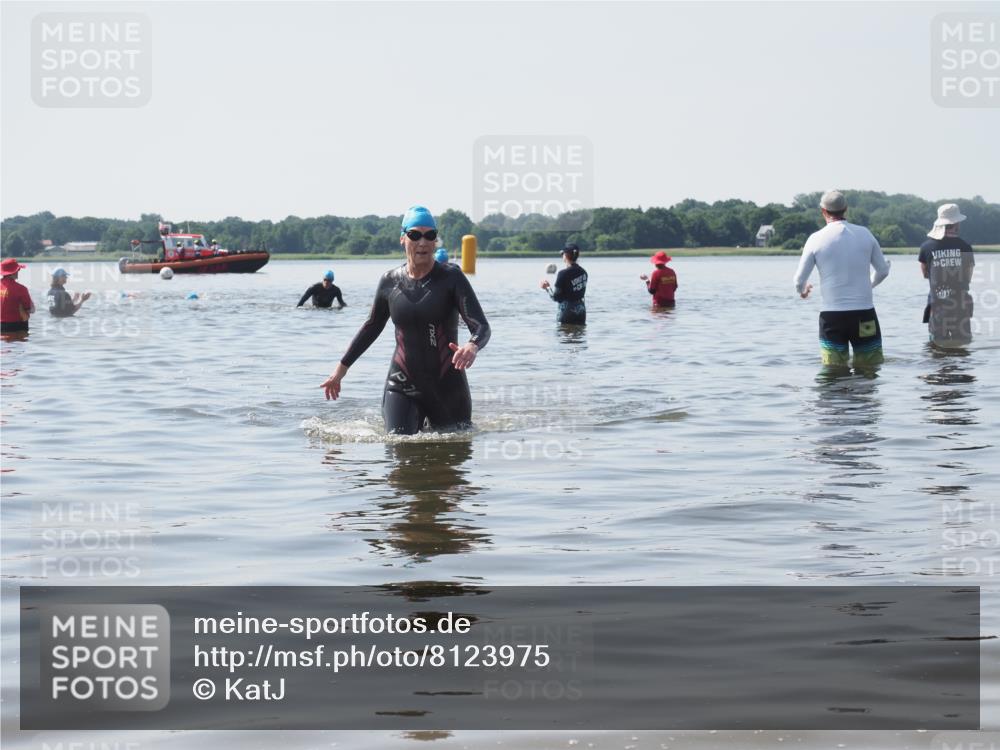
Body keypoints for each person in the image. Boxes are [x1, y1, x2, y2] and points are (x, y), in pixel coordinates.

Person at [320, 206, 490, 434]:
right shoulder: (390, 281)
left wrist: (472, 344)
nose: (423, 242)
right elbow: (371, 327)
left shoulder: (451, 278)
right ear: (403, 238)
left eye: (430, 235)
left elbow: (481, 325)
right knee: (397, 449)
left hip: (447, 386)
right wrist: (340, 370)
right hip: (401, 383)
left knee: (451, 462)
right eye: (415, 235)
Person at [793, 190, 891, 368]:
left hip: (832, 318)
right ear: (846, 209)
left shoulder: (815, 239)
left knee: (833, 372)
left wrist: (803, 290)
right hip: (864, 314)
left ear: (823, 211)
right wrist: (869, 284)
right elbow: (883, 270)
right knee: (869, 371)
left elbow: (799, 280)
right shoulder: (865, 234)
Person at [918, 203, 975, 345]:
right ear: (956, 223)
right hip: (960, 305)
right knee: (962, 347)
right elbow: (968, 276)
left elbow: (925, 273)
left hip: (937, 305)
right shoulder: (965, 247)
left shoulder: (926, 247)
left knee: (936, 346)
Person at [540, 243, 588, 324]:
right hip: (581, 312)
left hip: (567, 313)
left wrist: (547, 288)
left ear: (565, 255)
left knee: (564, 335)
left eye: (562, 254)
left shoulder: (563, 273)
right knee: (580, 335)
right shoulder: (584, 272)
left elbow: (555, 297)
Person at [1, 258, 34, 334]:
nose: (18, 272)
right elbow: (31, 309)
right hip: (17, 327)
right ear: (14, 272)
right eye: (18, 270)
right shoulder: (21, 289)